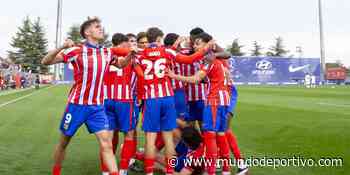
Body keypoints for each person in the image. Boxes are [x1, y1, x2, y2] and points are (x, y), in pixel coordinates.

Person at [41, 17, 133, 175]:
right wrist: (62, 46)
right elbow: (45, 61)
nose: (101, 29)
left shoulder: (106, 51)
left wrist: (131, 54)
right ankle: (56, 172)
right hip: (76, 105)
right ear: (87, 32)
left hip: (97, 107)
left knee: (107, 144)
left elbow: (121, 64)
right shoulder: (76, 50)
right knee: (64, 143)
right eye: (97, 27)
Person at [167, 32, 232, 175]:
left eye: (197, 43)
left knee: (209, 137)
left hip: (214, 101)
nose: (195, 46)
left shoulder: (210, 59)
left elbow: (196, 79)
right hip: (224, 100)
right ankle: (226, 170)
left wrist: (174, 75)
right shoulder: (219, 59)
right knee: (220, 135)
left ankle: (210, 171)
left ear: (207, 45)